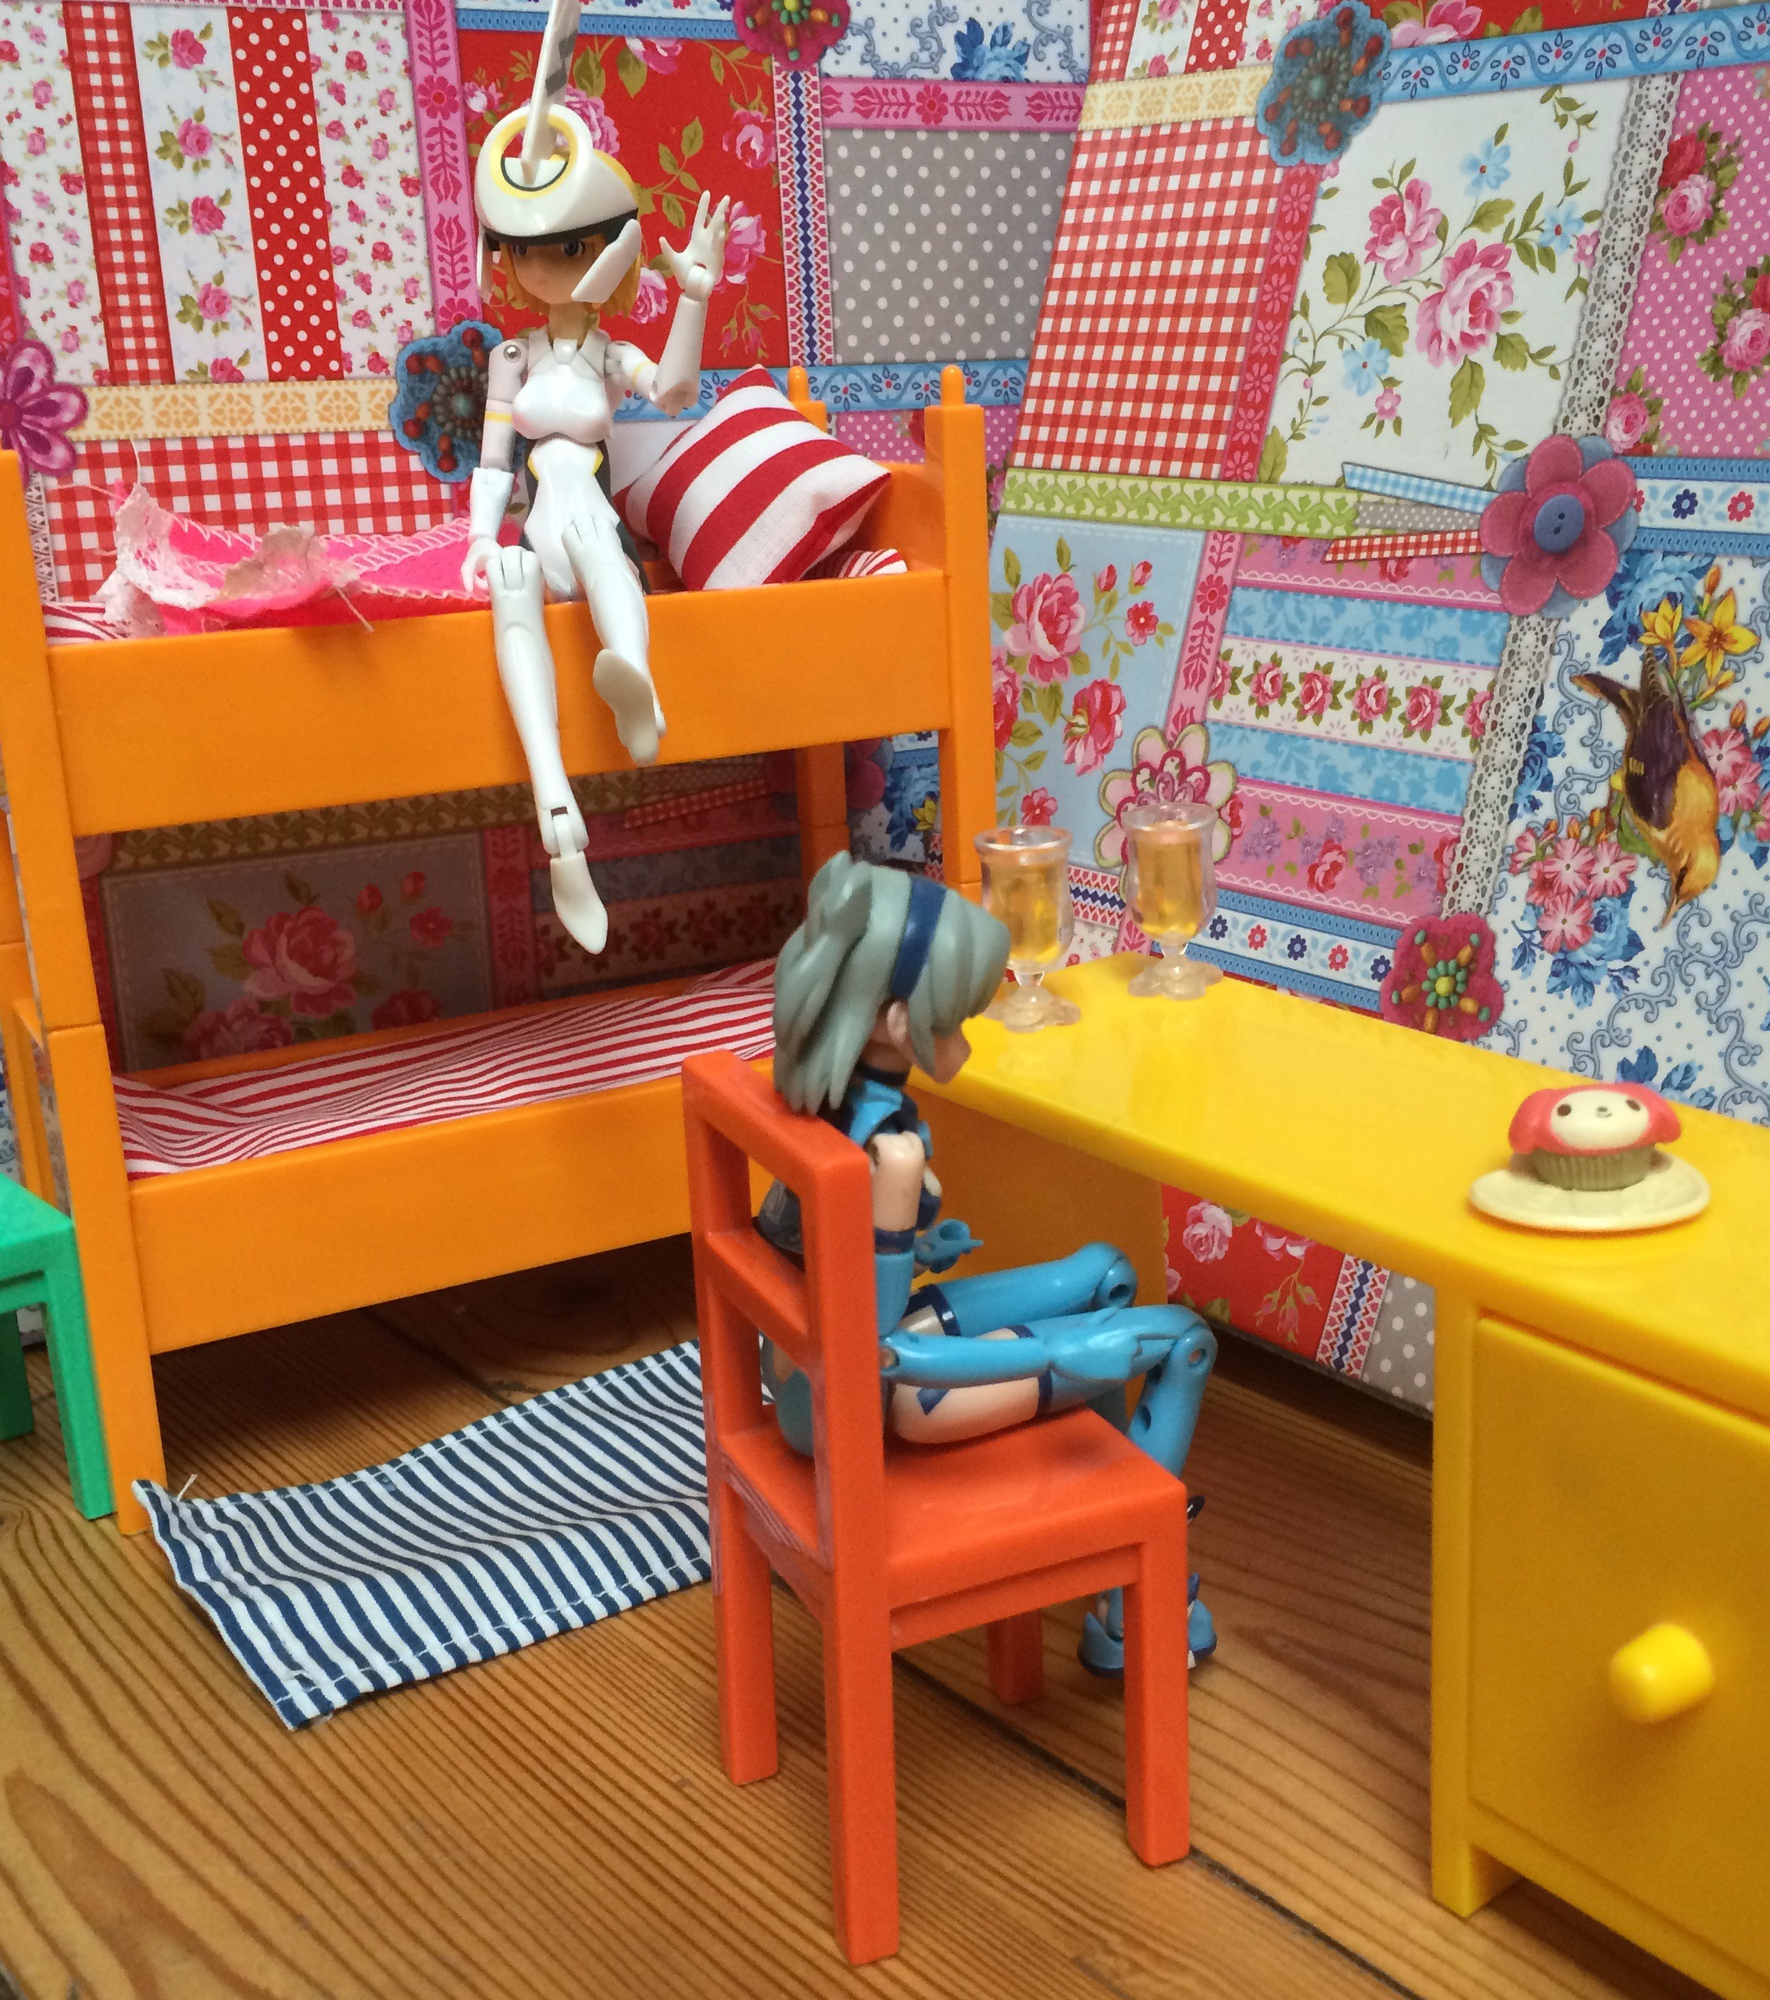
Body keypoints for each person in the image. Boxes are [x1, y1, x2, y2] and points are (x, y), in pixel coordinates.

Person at [760, 853, 1219, 1673]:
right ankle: (1130, 1608)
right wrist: (1057, 1355)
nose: (963, 1041)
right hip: (896, 1391)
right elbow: (881, 1350)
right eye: (952, 1021)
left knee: (1107, 1271)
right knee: (1182, 1341)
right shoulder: (891, 1154)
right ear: (896, 1021)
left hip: (808, 1373)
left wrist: (913, 1248)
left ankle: (1103, 1522)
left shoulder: (826, 1104)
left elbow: (830, 1265)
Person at [463, 0, 730, 954]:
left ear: (606, 252)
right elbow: (495, 461)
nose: (541, 267)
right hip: (537, 529)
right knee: (514, 576)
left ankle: (636, 685)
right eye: (524, 250)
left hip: (590, 529)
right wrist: (477, 539)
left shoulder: (612, 356)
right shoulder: (513, 359)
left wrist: (693, 301)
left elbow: (678, 390)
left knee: (597, 541)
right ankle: (556, 807)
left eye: (568, 248)